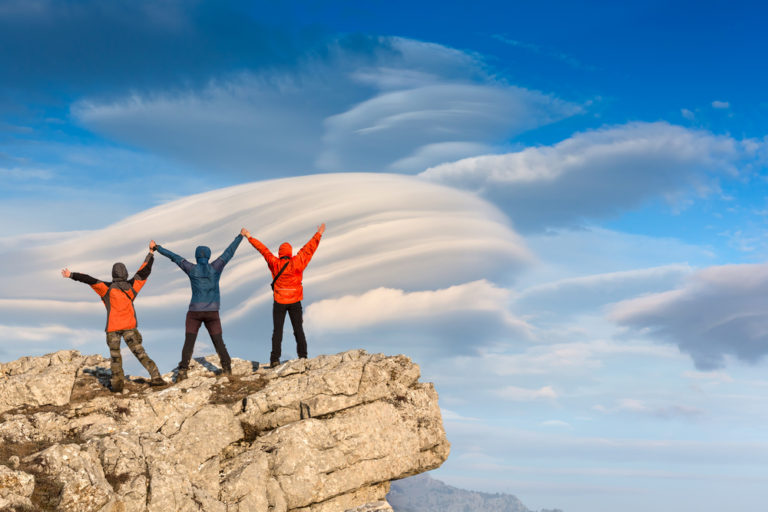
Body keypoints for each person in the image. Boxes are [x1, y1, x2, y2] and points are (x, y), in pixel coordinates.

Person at [61, 242, 166, 392]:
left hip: (112, 328)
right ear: (125, 273)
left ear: (113, 274)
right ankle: (156, 377)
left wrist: (71, 275)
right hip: (129, 326)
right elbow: (145, 270)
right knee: (140, 352)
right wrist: (151, 252)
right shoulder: (133, 286)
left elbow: (89, 279)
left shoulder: (106, 289)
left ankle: (117, 385)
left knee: (116, 358)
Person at [152, 234, 243, 380]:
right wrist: (240, 236)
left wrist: (157, 248)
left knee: (189, 341)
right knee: (218, 341)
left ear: (196, 256)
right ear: (208, 256)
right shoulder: (216, 267)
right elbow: (229, 252)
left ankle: (182, 371)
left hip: (194, 312)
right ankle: (227, 369)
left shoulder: (191, 269)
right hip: (212, 312)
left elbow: (175, 257)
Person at [240, 224, 325, 367]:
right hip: (295, 300)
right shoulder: (297, 262)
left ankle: (274, 359)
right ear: (290, 252)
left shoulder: (274, 263)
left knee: (277, 330)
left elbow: (263, 250)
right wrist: (319, 234)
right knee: (298, 329)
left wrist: (249, 236)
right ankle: (303, 356)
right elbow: (308, 249)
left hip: (279, 301)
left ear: (280, 253)